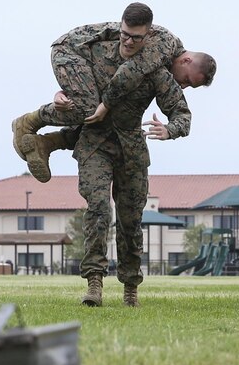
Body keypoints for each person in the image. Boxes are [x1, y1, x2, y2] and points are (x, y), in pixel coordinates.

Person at [53, 21, 192, 307]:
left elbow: (181, 112)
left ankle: (131, 288)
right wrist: (60, 98)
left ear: (146, 39)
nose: (128, 43)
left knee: (130, 220)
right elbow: (72, 84)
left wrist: (170, 129)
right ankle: (94, 283)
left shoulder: (155, 70)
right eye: (125, 36)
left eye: (136, 39)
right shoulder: (97, 52)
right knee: (99, 208)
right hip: (95, 144)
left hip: (131, 151)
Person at [12, 3, 215, 183]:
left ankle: (47, 143)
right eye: (187, 80)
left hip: (86, 60)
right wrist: (105, 104)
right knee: (90, 109)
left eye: (189, 86)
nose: (183, 86)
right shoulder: (162, 46)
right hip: (71, 51)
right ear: (186, 61)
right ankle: (29, 121)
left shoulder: (163, 62)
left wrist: (170, 129)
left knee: (105, 116)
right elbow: (129, 72)